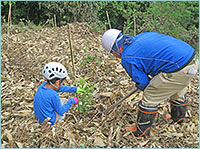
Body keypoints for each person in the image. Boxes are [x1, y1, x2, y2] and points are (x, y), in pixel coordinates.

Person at [101, 29, 198, 137]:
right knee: (176, 87)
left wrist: (148, 87)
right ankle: (178, 120)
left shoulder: (127, 57)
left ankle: (140, 131)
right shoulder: (141, 36)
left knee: (149, 96)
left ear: (114, 50)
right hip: (191, 58)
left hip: (177, 68)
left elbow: (143, 83)